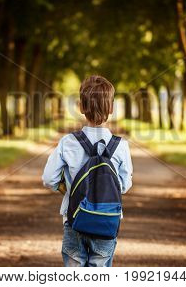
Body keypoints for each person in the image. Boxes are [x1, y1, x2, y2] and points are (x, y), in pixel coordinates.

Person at [42, 75, 133, 267]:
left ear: (81, 107)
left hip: (75, 218)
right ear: (111, 108)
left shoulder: (68, 143)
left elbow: (49, 179)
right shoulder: (121, 146)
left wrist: (71, 189)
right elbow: (123, 186)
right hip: (107, 222)